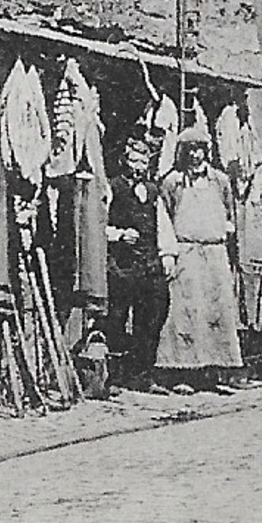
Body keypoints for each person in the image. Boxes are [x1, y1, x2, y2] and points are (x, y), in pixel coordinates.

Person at [155, 124, 244, 390]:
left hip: (215, 253)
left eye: (200, 149)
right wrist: (169, 254)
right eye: (189, 149)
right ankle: (182, 373)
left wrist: (227, 243)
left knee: (217, 312)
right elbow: (165, 219)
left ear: (207, 151)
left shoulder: (219, 180)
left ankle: (216, 373)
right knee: (185, 313)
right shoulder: (172, 182)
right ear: (181, 152)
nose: (195, 155)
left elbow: (230, 214)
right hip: (187, 253)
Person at [105, 132, 178, 390]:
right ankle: (114, 377)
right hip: (122, 266)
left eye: (143, 162)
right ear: (125, 161)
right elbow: (97, 224)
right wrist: (119, 234)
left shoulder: (153, 191)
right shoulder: (113, 187)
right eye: (134, 161)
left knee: (152, 317)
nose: (138, 167)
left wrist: (168, 255)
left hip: (150, 265)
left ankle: (143, 375)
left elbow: (163, 225)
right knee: (117, 317)